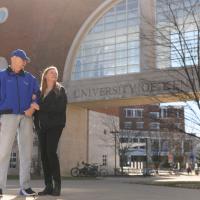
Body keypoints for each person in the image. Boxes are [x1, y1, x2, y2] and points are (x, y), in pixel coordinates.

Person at [0, 49, 40, 196]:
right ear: (14, 59)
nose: (24, 63)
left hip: (26, 116)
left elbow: (37, 94)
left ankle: (25, 186)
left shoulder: (30, 78)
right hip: (7, 115)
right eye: (23, 60)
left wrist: (32, 108)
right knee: (3, 151)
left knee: (26, 152)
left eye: (25, 61)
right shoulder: (2, 76)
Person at [34, 66, 67, 196]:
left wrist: (39, 107)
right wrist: (36, 124)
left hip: (55, 125)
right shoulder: (40, 92)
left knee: (51, 152)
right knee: (44, 155)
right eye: (51, 72)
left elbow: (59, 108)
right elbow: (36, 111)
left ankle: (57, 185)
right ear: (45, 75)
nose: (54, 74)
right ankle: (48, 185)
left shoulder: (60, 90)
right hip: (42, 127)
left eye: (55, 73)